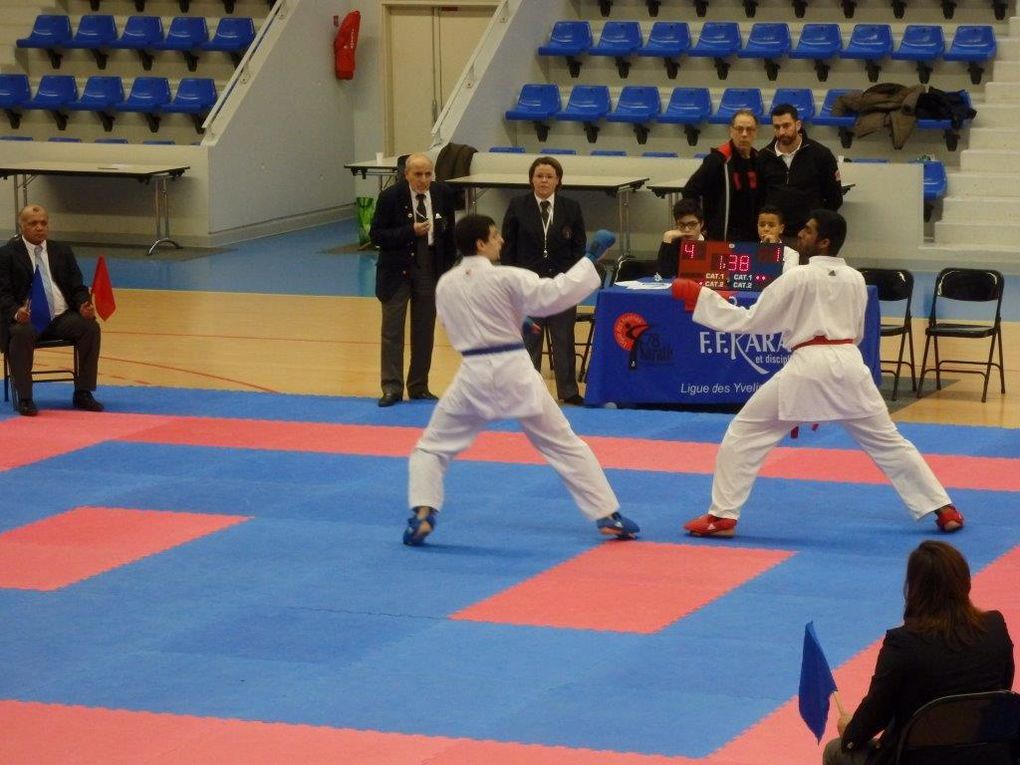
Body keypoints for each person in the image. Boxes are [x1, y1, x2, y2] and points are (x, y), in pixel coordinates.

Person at [670, 210, 964, 538]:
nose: (801, 235)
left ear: (824, 242)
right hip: (850, 365)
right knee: (890, 443)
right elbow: (857, 332)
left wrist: (702, 298)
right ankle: (944, 508)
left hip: (809, 365)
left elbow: (751, 321)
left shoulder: (798, 276)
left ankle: (722, 516)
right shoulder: (855, 279)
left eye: (809, 231)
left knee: (744, 432)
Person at [403, 213, 639, 546]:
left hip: (473, 374)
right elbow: (555, 294)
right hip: (514, 369)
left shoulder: (447, 283)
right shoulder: (508, 277)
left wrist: (512, 317)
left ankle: (423, 512)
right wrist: (589, 259)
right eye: (495, 236)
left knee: (431, 447)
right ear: (481, 244)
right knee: (564, 445)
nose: (501, 240)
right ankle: (607, 514)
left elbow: (453, 324)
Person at [822, 541, 1015, 765]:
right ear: (965, 582)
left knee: (835, 751)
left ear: (914, 588)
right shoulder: (995, 627)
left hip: (918, 759)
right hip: (989, 756)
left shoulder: (902, 644)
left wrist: (850, 732)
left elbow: (876, 713)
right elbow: (1002, 691)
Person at [370, 152, 457, 407]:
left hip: (429, 268)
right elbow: (376, 234)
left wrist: (446, 270)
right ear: (406, 174)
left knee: (424, 330)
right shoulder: (390, 197)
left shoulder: (442, 194)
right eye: (418, 174)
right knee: (392, 331)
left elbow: (450, 234)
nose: (423, 179)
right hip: (397, 270)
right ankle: (391, 387)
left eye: (428, 174)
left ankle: (419, 385)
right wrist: (410, 231)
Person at [0, 204, 103, 417]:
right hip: (27, 320)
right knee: (20, 333)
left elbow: (78, 287)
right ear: (22, 226)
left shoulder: (62, 251)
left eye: (43, 223)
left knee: (89, 328)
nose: (39, 228)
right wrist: (17, 312)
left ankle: (83, 392)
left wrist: (84, 304)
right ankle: (25, 397)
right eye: (33, 223)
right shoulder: (6, 254)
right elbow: (3, 294)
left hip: (61, 317)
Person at [501, 156, 587, 406]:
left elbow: (578, 247)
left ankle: (568, 391)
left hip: (561, 286)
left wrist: (570, 280)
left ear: (558, 180)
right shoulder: (518, 206)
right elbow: (508, 248)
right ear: (531, 179)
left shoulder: (571, 208)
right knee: (529, 340)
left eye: (549, 176)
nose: (544, 181)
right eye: (539, 176)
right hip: (528, 286)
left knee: (563, 339)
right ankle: (527, 392)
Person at [758, 104, 843, 239]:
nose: (781, 132)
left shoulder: (821, 154)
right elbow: (758, 198)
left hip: (809, 238)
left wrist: (816, 228)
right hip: (774, 236)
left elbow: (835, 199)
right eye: (777, 127)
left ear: (798, 125)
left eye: (786, 126)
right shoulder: (763, 156)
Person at [681, 108, 761, 242]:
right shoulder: (717, 160)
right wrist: (701, 223)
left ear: (756, 132)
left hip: (752, 235)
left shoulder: (759, 160)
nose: (744, 134)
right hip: (723, 236)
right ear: (731, 131)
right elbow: (690, 191)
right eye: (739, 129)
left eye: (750, 129)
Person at [655, 198, 706, 279]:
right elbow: (663, 276)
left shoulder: (713, 243)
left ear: (701, 223)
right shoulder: (673, 245)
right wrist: (667, 238)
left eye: (692, 224)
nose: (687, 229)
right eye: (682, 224)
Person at [756, 204, 801, 273]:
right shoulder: (750, 251)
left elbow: (787, 280)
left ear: (781, 229)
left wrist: (773, 248)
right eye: (762, 225)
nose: (766, 229)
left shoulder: (791, 254)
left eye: (771, 225)